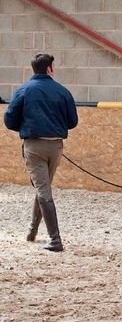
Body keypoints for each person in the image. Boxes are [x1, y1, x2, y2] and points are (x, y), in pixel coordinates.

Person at [4, 53, 78, 252]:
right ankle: (32, 231)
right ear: (49, 69)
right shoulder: (62, 91)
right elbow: (73, 122)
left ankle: (55, 240)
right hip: (56, 147)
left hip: (34, 146)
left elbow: (9, 120)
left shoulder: (24, 90)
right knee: (43, 187)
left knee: (43, 189)